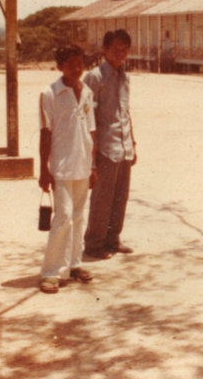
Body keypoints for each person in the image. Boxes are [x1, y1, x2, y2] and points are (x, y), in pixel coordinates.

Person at [38, 44, 98, 293]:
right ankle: (52, 272)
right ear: (60, 66)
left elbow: (91, 131)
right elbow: (45, 133)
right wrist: (44, 169)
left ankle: (74, 264)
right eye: (71, 63)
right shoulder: (50, 93)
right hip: (61, 166)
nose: (76, 68)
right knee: (62, 217)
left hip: (83, 165)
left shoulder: (87, 92)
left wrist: (93, 165)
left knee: (78, 216)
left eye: (80, 63)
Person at [84, 29, 137, 260]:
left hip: (123, 146)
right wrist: (92, 152)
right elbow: (87, 116)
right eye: (115, 47)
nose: (120, 52)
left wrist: (132, 142)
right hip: (104, 147)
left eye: (124, 48)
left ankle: (113, 240)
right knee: (102, 198)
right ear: (105, 49)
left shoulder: (125, 77)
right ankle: (94, 244)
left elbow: (125, 112)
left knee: (120, 196)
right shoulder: (95, 77)